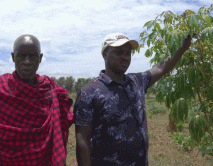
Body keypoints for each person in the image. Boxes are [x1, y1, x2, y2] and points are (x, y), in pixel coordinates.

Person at [0, 34, 74, 166]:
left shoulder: (50, 91)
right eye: (22, 56)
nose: (27, 61)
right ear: (13, 57)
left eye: (33, 56)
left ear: (40, 58)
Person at [74, 33, 192, 166]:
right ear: (105, 55)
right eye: (119, 52)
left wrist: (182, 48)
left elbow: (161, 67)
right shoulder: (88, 92)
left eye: (128, 53)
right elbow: (82, 139)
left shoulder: (137, 81)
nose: (125, 57)